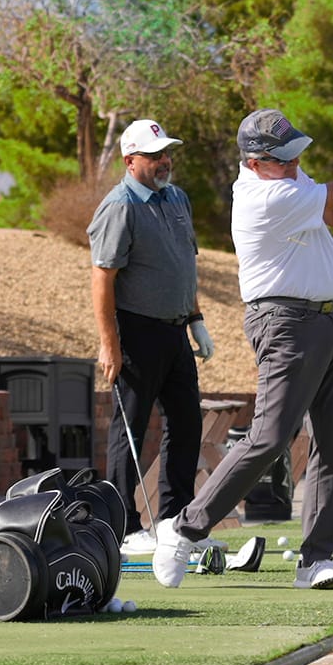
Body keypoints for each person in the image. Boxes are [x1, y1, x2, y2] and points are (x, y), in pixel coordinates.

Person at [149, 107, 333, 590]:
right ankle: (184, 529)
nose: (293, 165)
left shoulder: (286, 179)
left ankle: (315, 560)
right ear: (254, 162)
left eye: (294, 156)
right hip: (285, 323)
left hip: (326, 322)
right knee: (269, 438)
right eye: (283, 159)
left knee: (332, 444)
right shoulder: (264, 196)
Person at [89, 118, 216, 551]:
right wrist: (110, 344)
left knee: (186, 424)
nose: (164, 161)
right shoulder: (119, 206)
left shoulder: (177, 198)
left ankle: (176, 522)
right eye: (154, 155)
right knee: (130, 429)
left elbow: (184, 264)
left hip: (176, 330)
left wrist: (196, 319)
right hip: (136, 331)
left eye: (166, 153)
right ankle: (122, 528)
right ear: (130, 161)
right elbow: (103, 279)